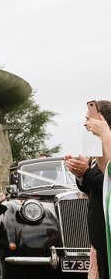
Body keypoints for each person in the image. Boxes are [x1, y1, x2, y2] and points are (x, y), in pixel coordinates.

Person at [65, 154, 108, 279]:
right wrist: (80, 176)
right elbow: (91, 189)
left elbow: (107, 185)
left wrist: (87, 172)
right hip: (99, 234)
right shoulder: (97, 151)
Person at [83, 99, 111, 278]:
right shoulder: (96, 147)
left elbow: (107, 180)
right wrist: (81, 173)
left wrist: (105, 134)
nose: (85, 123)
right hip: (100, 234)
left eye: (89, 118)